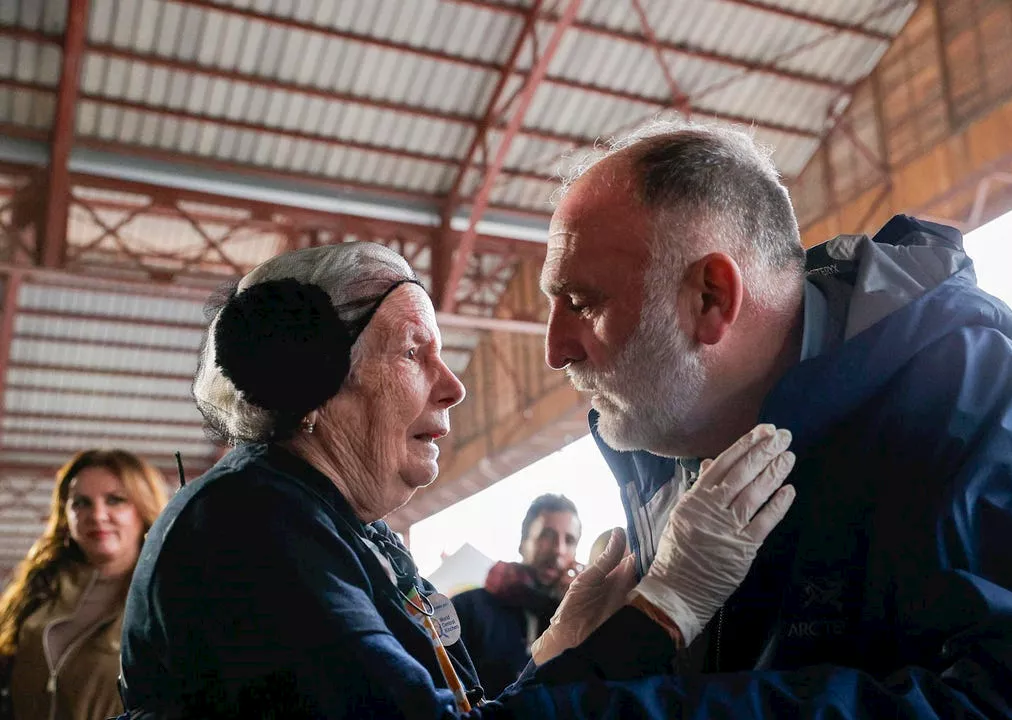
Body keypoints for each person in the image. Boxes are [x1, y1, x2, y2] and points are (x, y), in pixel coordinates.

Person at [539, 120, 1012, 717]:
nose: (554, 349)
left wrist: (634, 707)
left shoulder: (983, 410)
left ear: (712, 296)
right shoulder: (664, 452)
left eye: (580, 300)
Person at [116, 242, 796, 718]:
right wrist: (670, 605)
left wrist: (560, 648)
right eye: (415, 351)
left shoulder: (332, 526)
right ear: (311, 374)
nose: (454, 387)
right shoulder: (250, 528)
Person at [0, 450, 168, 720]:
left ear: (143, 508)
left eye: (115, 500)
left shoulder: (164, 601)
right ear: (66, 515)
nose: (97, 515)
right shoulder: (38, 589)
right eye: (81, 503)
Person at [452, 494, 584, 692]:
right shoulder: (467, 609)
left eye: (570, 540)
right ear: (523, 543)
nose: (559, 549)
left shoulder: (578, 622)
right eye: (547, 535)